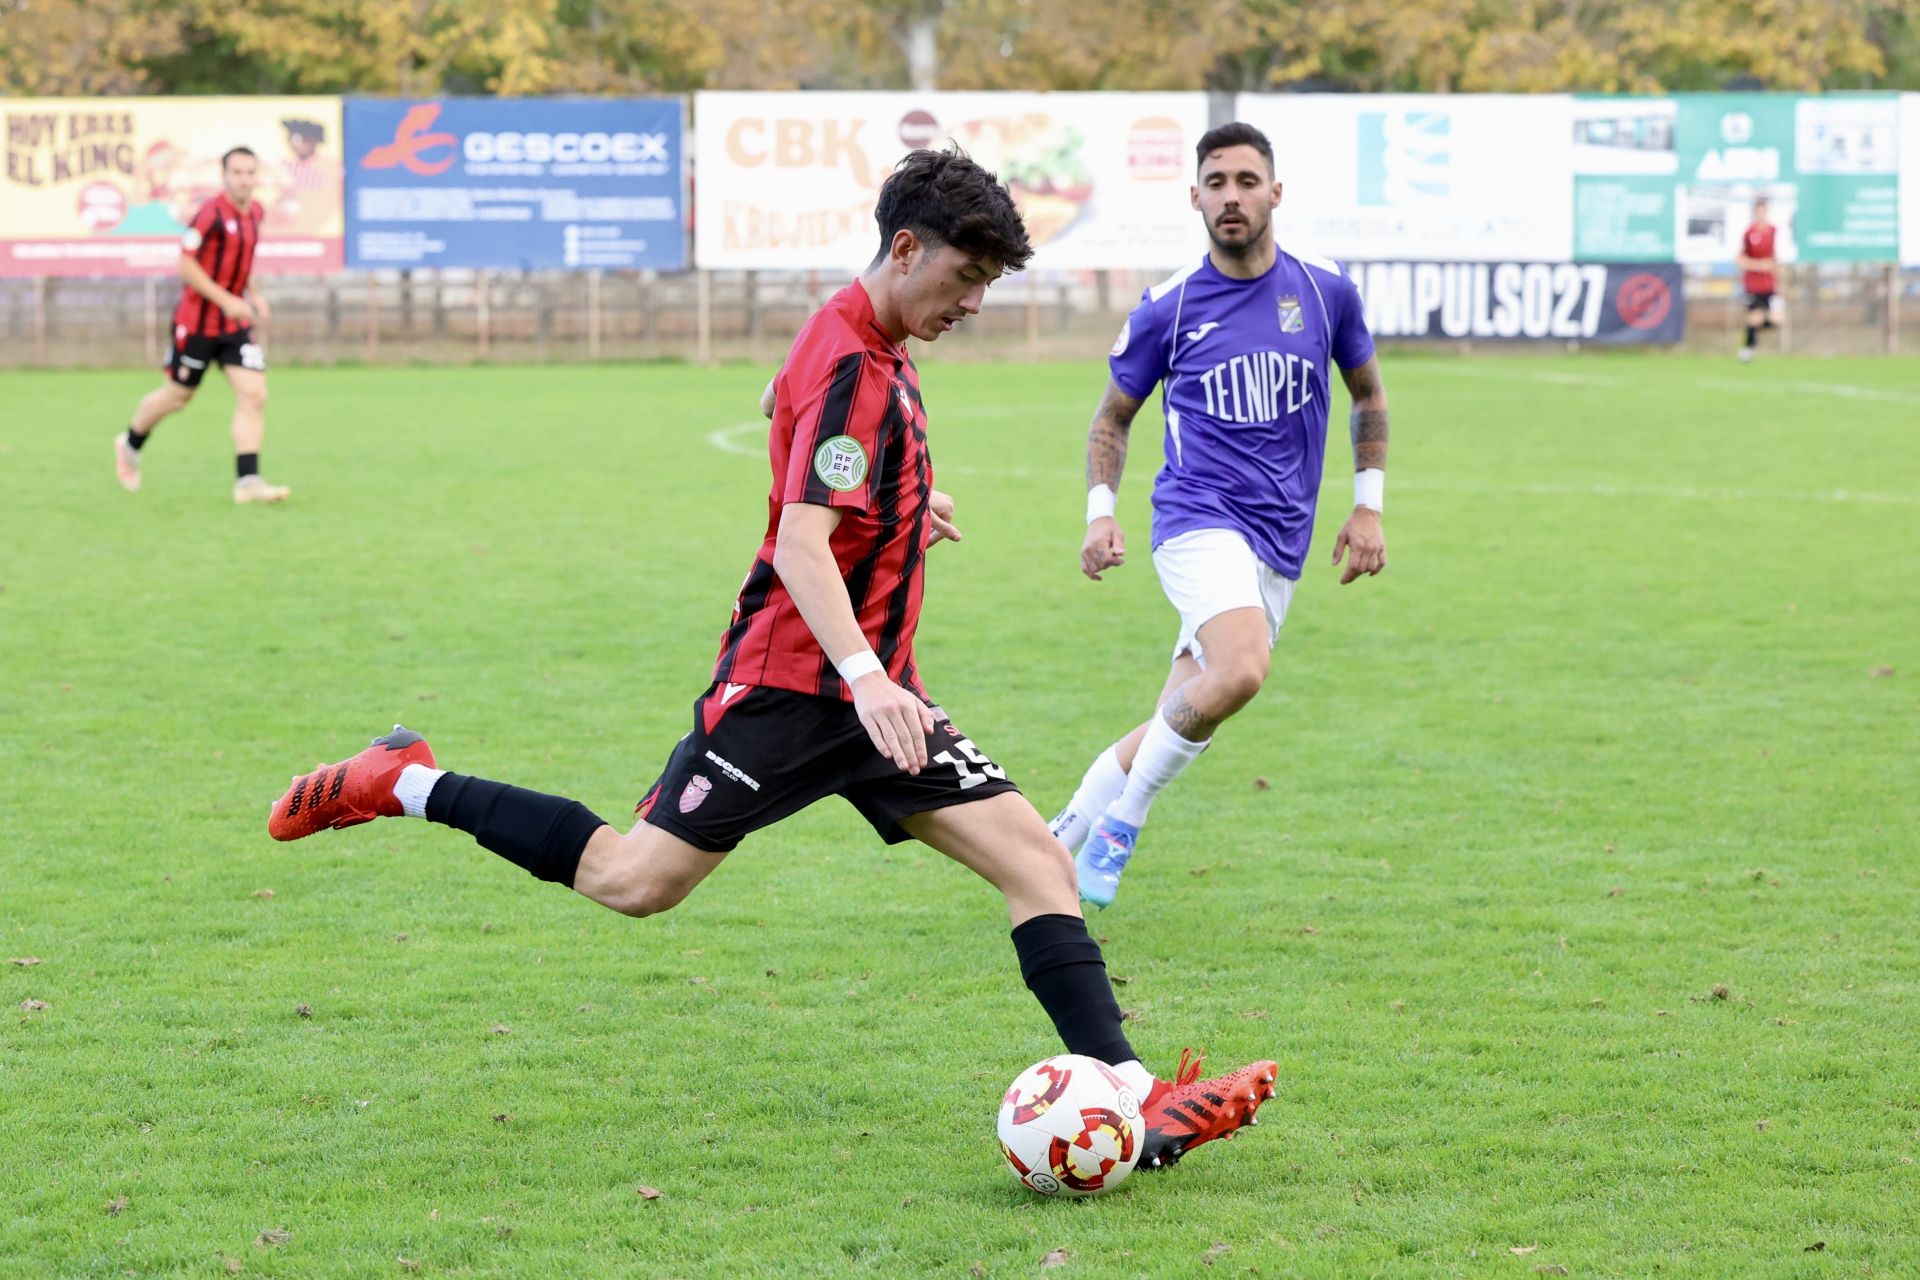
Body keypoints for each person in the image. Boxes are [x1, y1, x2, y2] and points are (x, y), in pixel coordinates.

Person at [266, 148, 1275, 1171]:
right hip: (794, 687)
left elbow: (772, 403)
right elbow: (800, 542)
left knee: (1037, 860)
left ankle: (1139, 1099)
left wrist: (898, 504)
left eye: (986, 284)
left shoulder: (857, 333)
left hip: (876, 696)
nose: (971, 302)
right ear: (906, 246)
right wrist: (869, 671)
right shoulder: (852, 365)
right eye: (964, 278)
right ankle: (406, 778)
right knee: (634, 878)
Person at [1051, 122, 1392, 909]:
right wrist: (1100, 514)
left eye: (1246, 180)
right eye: (1216, 183)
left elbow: (1368, 392)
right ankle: (1122, 825)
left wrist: (1367, 508)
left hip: (1281, 539)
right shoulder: (1168, 306)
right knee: (1240, 670)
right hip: (1196, 518)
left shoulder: (1324, 289)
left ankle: (1055, 837)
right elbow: (1112, 417)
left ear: (1276, 191)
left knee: (1184, 711)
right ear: (1196, 197)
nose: (1231, 196)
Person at [113, 146, 290, 504]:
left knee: (255, 394)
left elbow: (241, 262)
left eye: (249, 172)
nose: (244, 179)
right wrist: (226, 300)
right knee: (178, 396)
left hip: (234, 327)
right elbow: (186, 265)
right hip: (197, 325)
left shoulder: (255, 212)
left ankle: (248, 483)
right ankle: (130, 443)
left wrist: (253, 295)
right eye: (237, 172)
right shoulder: (208, 214)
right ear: (224, 176)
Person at [1737, 196, 1780, 363]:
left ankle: (1752, 339)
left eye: (1764, 211)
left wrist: (1776, 269)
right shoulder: (1749, 233)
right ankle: (1747, 350)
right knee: (1755, 317)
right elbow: (1740, 259)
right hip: (1753, 284)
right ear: (1755, 212)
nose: (1761, 214)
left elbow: (1776, 258)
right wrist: (1759, 265)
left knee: (1776, 320)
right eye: (1758, 211)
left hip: (1769, 283)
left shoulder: (1773, 231)